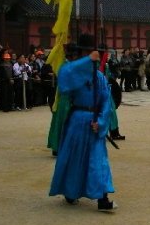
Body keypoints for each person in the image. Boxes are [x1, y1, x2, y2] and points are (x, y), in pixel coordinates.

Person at [49, 35, 118, 211]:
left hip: (94, 121)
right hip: (77, 119)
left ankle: (103, 198)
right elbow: (64, 80)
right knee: (74, 158)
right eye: (86, 53)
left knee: (98, 160)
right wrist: (87, 60)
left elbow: (105, 101)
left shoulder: (100, 77)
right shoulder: (72, 73)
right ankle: (71, 192)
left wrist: (101, 122)